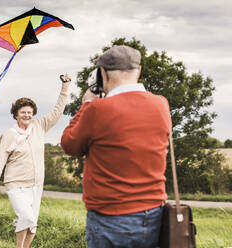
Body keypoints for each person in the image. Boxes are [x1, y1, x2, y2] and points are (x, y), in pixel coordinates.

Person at [61, 46, 170, 248]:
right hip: (154, 213)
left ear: (102, 73)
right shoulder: (161, 104)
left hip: (110, 216)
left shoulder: (96, 110)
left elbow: (69, 145)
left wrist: (86, 105)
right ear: (138, 70)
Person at [0, 74, 71, 248]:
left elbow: (57, 112)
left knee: (32, 225)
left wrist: (65, 88)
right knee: (26, 217)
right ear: (16, 115)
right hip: (16, 184)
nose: (27, 115)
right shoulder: (11, 134)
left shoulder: (39, 126)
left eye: (29, 112)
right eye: (23, 112)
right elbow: (0, 160)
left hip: (36, 184)